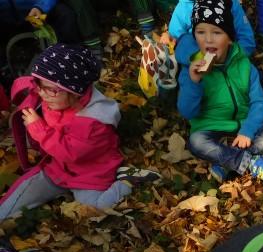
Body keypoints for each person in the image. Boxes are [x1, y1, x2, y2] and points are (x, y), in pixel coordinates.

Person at [0, 44, 156, 221]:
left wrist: (38, 129)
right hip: (58, 168)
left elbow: (69, 152)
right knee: (16, 200)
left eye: (51, 89)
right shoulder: (56, 99)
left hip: (90, 173)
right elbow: (28, 88)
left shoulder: (94, 121)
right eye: (39, 85)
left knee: (95, 208)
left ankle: (126, 182)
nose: (43, 94)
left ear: (74, 91)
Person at [176, 0, 263, 185]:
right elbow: (187, 112)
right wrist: (194, 82)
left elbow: (260, 102)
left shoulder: (244, 65)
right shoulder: (191, 70)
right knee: (196, 142)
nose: (208, 39)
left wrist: (248, 131)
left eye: (217, 33)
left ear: (230, 38)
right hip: (211, 131)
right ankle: (247, 161)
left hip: (244, 129)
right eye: (201, 32)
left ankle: (226, 161)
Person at [167, 0, 263, 119]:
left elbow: (246, 39)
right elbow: (178, 40)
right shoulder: (185, 6)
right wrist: (195, 56)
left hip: (229, 58)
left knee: (253, 73)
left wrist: (233, 55)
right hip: (199, 63)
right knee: (189, 82)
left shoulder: (230, 4)